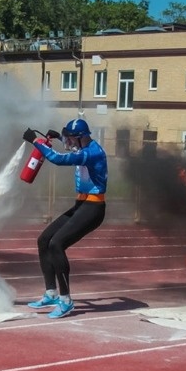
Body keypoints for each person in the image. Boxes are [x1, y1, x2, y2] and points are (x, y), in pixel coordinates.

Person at [22, 117, 108, 318]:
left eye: (70, 138)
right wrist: (59, 137)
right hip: (81, 205)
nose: (68, 141)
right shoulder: (82, 146)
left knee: (57, 244)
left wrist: (35, 141)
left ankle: (66, 300)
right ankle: (51, 293)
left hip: (94, 208)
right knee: (44, 240)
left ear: (81, 138)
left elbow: (59, 159)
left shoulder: (91, 153)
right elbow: (71, 147)